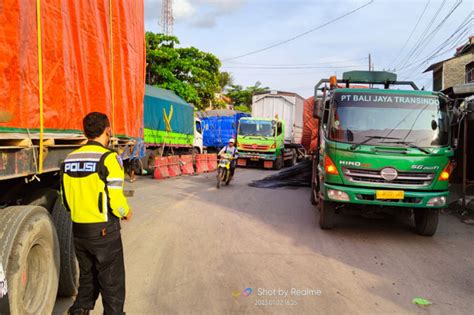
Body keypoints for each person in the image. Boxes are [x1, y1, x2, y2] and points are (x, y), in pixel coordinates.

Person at [61, 112, 132, 315]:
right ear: (107, 130)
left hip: (79, 231)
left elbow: (65, 199)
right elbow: (116, 199)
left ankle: (79, 311)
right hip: (103, 231)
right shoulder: (109, 158)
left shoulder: (68, 159)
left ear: (85, 131)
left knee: (87, 277)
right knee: (112, 283)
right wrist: (125, 212)